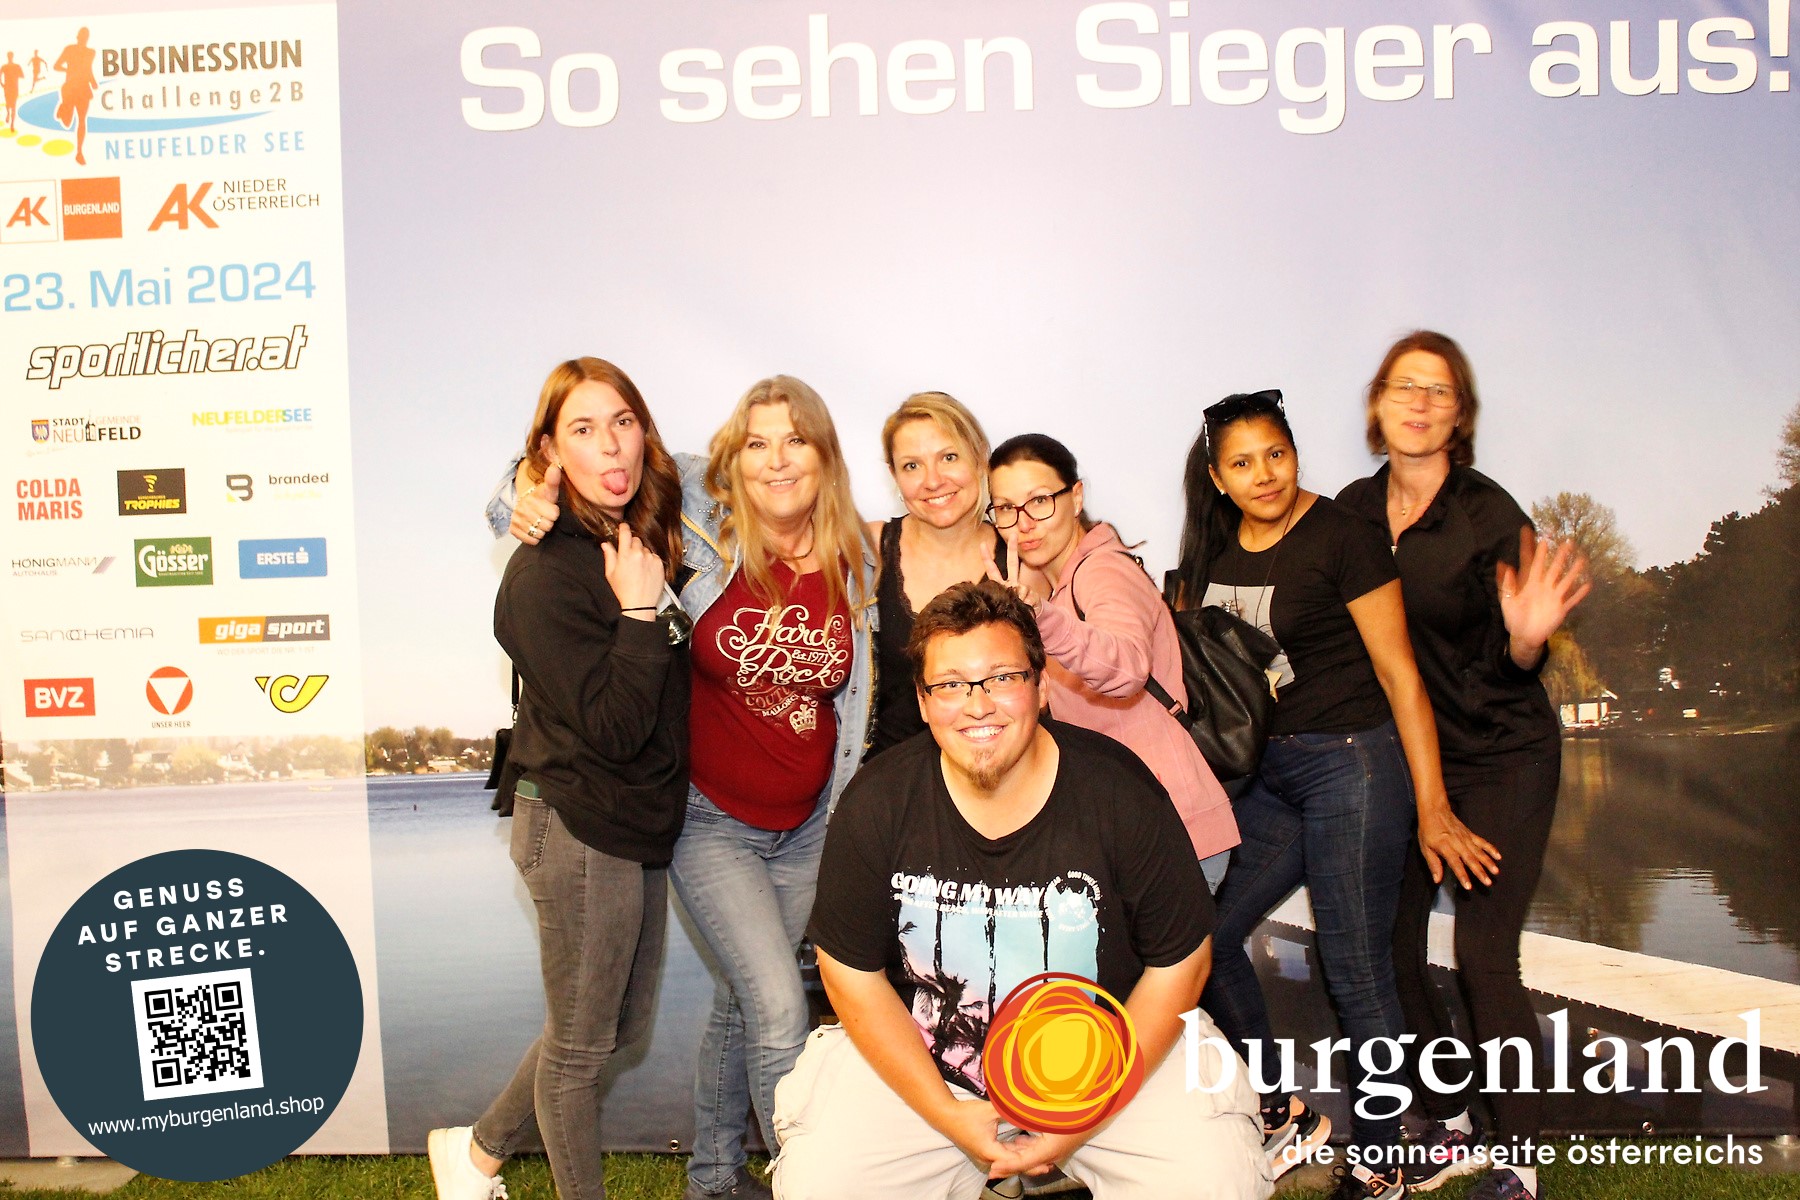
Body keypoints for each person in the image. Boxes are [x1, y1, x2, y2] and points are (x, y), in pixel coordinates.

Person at [498, 375, 877, 1200]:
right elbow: (581, 468)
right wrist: (519, 494)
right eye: (758, 442)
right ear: (734, 457)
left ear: (825, 454)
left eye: (797, 440)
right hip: (710, 821)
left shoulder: (859, 559)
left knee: (745, 1003)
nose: (777, 460)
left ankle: (712, 1178)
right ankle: (804, 1185)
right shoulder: (699, 520)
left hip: (809, 826)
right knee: (780, 1007)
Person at [772, 580, 1269, 1200]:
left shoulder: (1119, 791)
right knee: (823, 1183)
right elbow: (850, 971)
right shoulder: (879, 800)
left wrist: (1085, 1113)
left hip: (1110, 1055)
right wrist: (945, 1114)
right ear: (923, 702)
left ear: (1042, 686)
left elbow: (1181, 963)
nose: (977, 705)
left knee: (1214, 1182)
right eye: (950, 685)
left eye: (1002, 677)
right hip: (932, 1064)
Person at [1172, 391, 1500, 1200]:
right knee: (1203, 932)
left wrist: (1433, 806)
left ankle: (1380, 1162)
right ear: (1217, 478)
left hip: (1353, 763)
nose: (1264, 474)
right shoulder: (1213, 548)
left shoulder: (1341, 536)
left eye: (1276, 454)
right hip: (1269, 776)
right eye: (1242, 463)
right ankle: (1279, 1107)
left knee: (1356, 970)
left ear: (1294, 451)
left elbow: (1401, 674)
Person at [432, 358, 691, 1200]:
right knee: (580, 1051)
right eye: (583, 429)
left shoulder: (633, 536)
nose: (610, 446)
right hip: (576, 824)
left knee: (614, 1030)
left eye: (623, 422)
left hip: (632, 820)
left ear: (644, 431)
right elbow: (613, 727)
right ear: (549, 452)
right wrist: (640, 614)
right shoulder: (542, 575)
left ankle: (474, 1155)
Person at [1338, 333, 1588, 1200]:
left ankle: (1518, 1160)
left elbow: (1517, 662)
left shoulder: (1488, 515)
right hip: (1406, 759)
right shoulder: (1351, 514)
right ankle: (1447, 1119)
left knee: (1484, 953)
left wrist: (1527, 642)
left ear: (1460, 415)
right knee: (1389, 942)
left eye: (1438, 391)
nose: (1418, 403)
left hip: (1501, 755)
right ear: (1376, 404)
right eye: (1403, 386)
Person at [985, 433, 1238, 866]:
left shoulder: (1102, 571)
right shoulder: (1063, 582)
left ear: (1076, 497)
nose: (1023, 523)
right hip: (1130, 823)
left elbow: (1127, 667)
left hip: (1169, 827)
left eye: (1039, 500)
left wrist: (1042, 617)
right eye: (1006, 508)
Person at [867, 391, 1009, 756]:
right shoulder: (868, 548)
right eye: (912, 466)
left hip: (993, 773)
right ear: (893, 475)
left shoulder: (1023, 558)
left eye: (948, 457)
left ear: (980, 456)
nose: (932, 481)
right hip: (884, 777)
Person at [53, 27, 96, 165]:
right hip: (70, 88)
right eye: (82, 36)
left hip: (83, 89)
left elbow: (88, 70)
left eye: (85, 36)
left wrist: (93, 82)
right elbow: (56, 65)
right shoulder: (69, 49)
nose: (83, 38)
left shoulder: (91, 52)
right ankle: (62, 109)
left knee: (82, 120)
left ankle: (79, 152)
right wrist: (68, 70)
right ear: (78, 37)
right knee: (67, 123)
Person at [2, 53, 23, 133]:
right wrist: (2, 84)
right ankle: (8, 114)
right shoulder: (5, 66)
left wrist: (2, 84)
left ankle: (12, 124)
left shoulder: (16, 66)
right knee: (9, 105)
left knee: (13, 106)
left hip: (12, 88)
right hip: (9, 88)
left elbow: (22, 75)